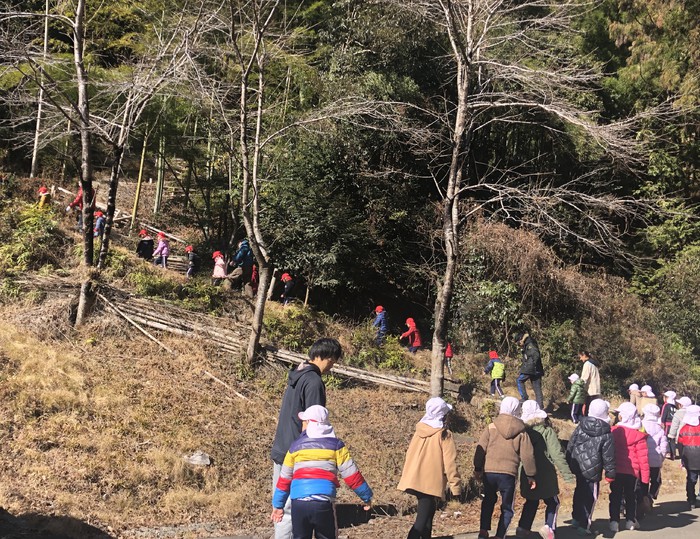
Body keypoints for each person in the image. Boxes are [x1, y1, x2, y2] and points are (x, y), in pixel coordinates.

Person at [270, 338, 342, 539]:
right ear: (324, 357)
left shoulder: (298, 375)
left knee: (283, 505)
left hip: (282, 446)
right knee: (293, 507)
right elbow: (313, 421)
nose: (331, 366)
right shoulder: (313, 382)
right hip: (300, 452)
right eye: (333, 361)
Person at [271, 405, 372, 539]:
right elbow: (351, 475)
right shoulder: (336, 446)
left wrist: (278, 505)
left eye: (304, 422)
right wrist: (366, 496)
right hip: (323, 504)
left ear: (310, 424)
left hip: (299, 505)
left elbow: (284, 479)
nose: (302, 425)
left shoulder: (295, 447)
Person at [397, 397, 461, 539]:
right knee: (420, 522)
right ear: (443, 415)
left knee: (428, 515)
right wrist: (455, 486)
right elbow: (450, 463)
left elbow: (410, 454)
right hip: (430, 482)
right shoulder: (444, 434)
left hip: (415, 478)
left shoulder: (419, 430)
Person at [474, 396, 537, 539]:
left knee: (488, 501)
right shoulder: (522, 431)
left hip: (489, 471)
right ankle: (500, 535)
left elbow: (481, 449)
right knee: (507, 507)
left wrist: (478, 468)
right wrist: (531, 475)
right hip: (508, 474)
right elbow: (528, 455)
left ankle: (483, 531)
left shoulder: (491, 427)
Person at [516, 401, 573, 539]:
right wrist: (567, 475)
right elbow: (557, 454)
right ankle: (549, 527)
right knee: (553, 502)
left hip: (526, 473)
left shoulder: (521, 433)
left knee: (531, 501)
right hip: (545, 473)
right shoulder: (547, 431)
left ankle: (523, 528)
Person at [566, 399, 616, 536]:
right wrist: (610, 473)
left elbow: (571, 443)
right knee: (590, 497)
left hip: (578, 465)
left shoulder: (581, 425)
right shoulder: (606, 433)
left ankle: (576, 518)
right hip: (593, 470)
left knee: (579, 492)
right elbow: (608, 456)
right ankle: (584, 524)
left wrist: (569, 461)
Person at [609, 402, 649, 532]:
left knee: (615, 495)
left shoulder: (613, 431)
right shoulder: (639, 436)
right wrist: (645, 479)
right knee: (630, 496)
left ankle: (614, 522)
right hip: (632, 472)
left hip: (616, 469)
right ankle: (630, 521)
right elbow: (643, 459)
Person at [639, 403, 667, 512]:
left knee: (643, 480)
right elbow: (664, 447)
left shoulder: (640, 425)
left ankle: (643, 498)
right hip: (655, 460)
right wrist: (661, 458)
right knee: (656, 480)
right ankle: (651, 495)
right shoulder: (660, 429)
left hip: (643, 459)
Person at [677, 404, 700, 510]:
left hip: (689, 456)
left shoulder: (684, 429)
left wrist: (682, 457)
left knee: (691, 478)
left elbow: (680, 444)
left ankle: (691, 499)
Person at [514, 332, 544, 408]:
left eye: (518, 343)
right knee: (537, 388)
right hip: (537, 369)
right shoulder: (529, 343)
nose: (518, 345)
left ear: (521, 340)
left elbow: (535, 355)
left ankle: (524, 398)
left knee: (519, 380)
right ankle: (540, 407)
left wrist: (529, 366)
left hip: (531, 369)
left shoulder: (530, 345)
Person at [660, 391, 677, 459]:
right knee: (672, 439)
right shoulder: (674, 406)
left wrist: (662, 422)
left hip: (667, 425)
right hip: (674, 425)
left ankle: (668, 452)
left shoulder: (666, 405)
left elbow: (663, 415)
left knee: (667, 438)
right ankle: (674, 454)